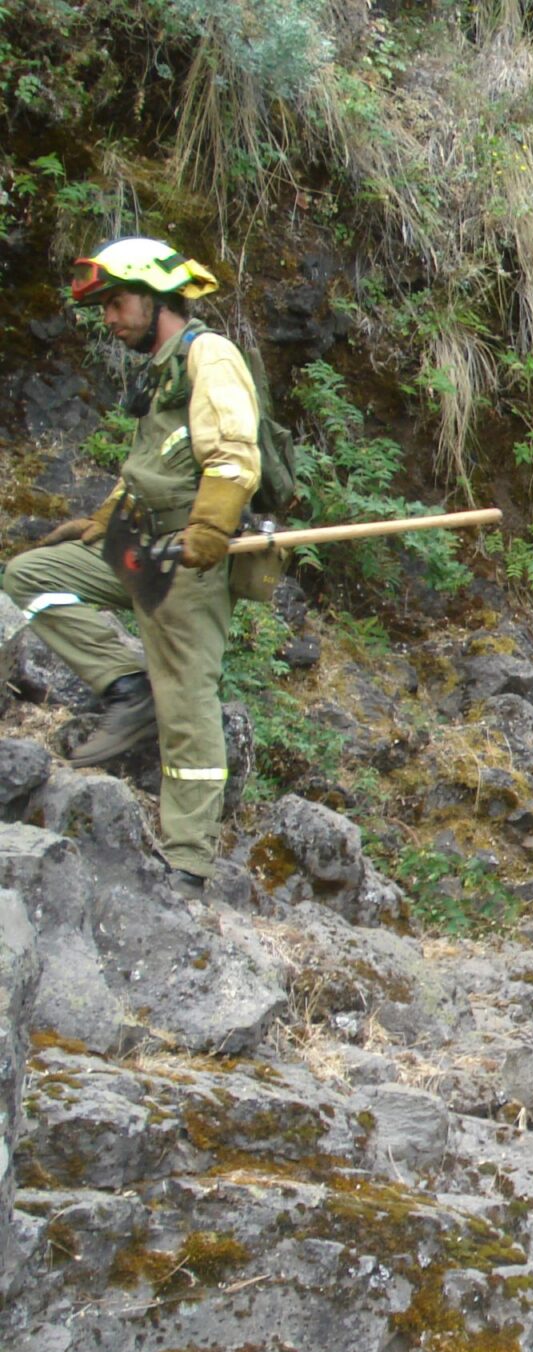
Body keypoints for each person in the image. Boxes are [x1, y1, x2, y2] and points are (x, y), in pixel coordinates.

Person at [2, 237, 261, 893]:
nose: (111, 319)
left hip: (186, 559)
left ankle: (189, 857)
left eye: (117, 303)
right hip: (135, 545)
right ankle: (125, 685)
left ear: (155, 296)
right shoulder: (159, 369)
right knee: (30, 576)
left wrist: (209, 527)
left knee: (188, 704)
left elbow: (232, 449)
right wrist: (102, 517)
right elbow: (152, 463)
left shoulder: (209, 355)